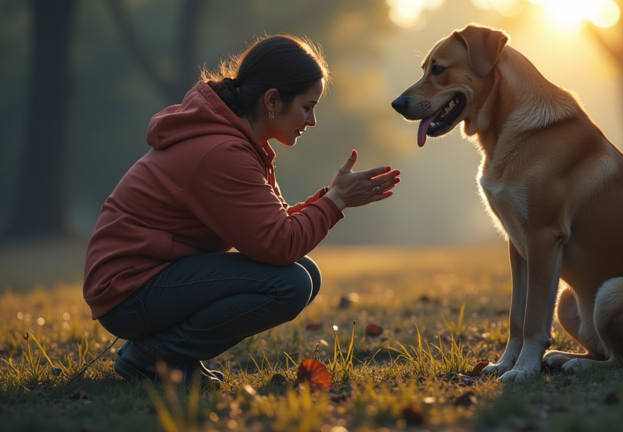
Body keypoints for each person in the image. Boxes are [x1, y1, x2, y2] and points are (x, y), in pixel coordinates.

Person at [82, 34, 401, 385]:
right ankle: (155, 356)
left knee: (305, 273)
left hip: (150, 278)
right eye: (308, 107)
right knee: (290, 284)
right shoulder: (222, 152)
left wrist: (332, 195)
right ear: (273, 100)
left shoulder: (239, 143)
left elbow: (273, 229)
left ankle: (164, 353)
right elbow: (279, 245)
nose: (311, 121)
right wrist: (335, 201)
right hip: (129, 291)